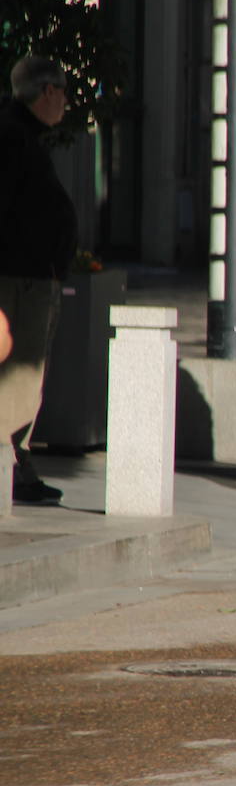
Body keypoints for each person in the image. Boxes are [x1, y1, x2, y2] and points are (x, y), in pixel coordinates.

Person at [0, 55, 75, 506]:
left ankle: (16, 464)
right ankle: (12, 468)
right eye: (63, 92)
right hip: (20, 279)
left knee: (25, 379)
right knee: (20, 378)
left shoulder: (22, 134)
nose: (65, 101)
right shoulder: (13, 137)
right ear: (47, 92)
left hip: (30, 275)